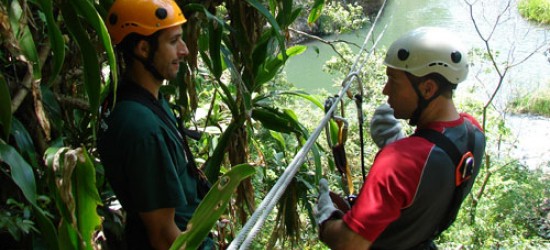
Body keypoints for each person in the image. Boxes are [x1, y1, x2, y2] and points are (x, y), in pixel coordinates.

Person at [315, 27, 487, 249]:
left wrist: (327, 219)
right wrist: (404, 144)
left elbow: (349, 244)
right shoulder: (475, 132)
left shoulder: (397, 164)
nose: (386, 90)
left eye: (393, 81)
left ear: (428, 88)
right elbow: (432, 166)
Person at [97, 0, 214, 249]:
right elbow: (162, 236)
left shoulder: (128, 96)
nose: (185, 50)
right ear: (143, 48)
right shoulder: (142, 128)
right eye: (173, 42)